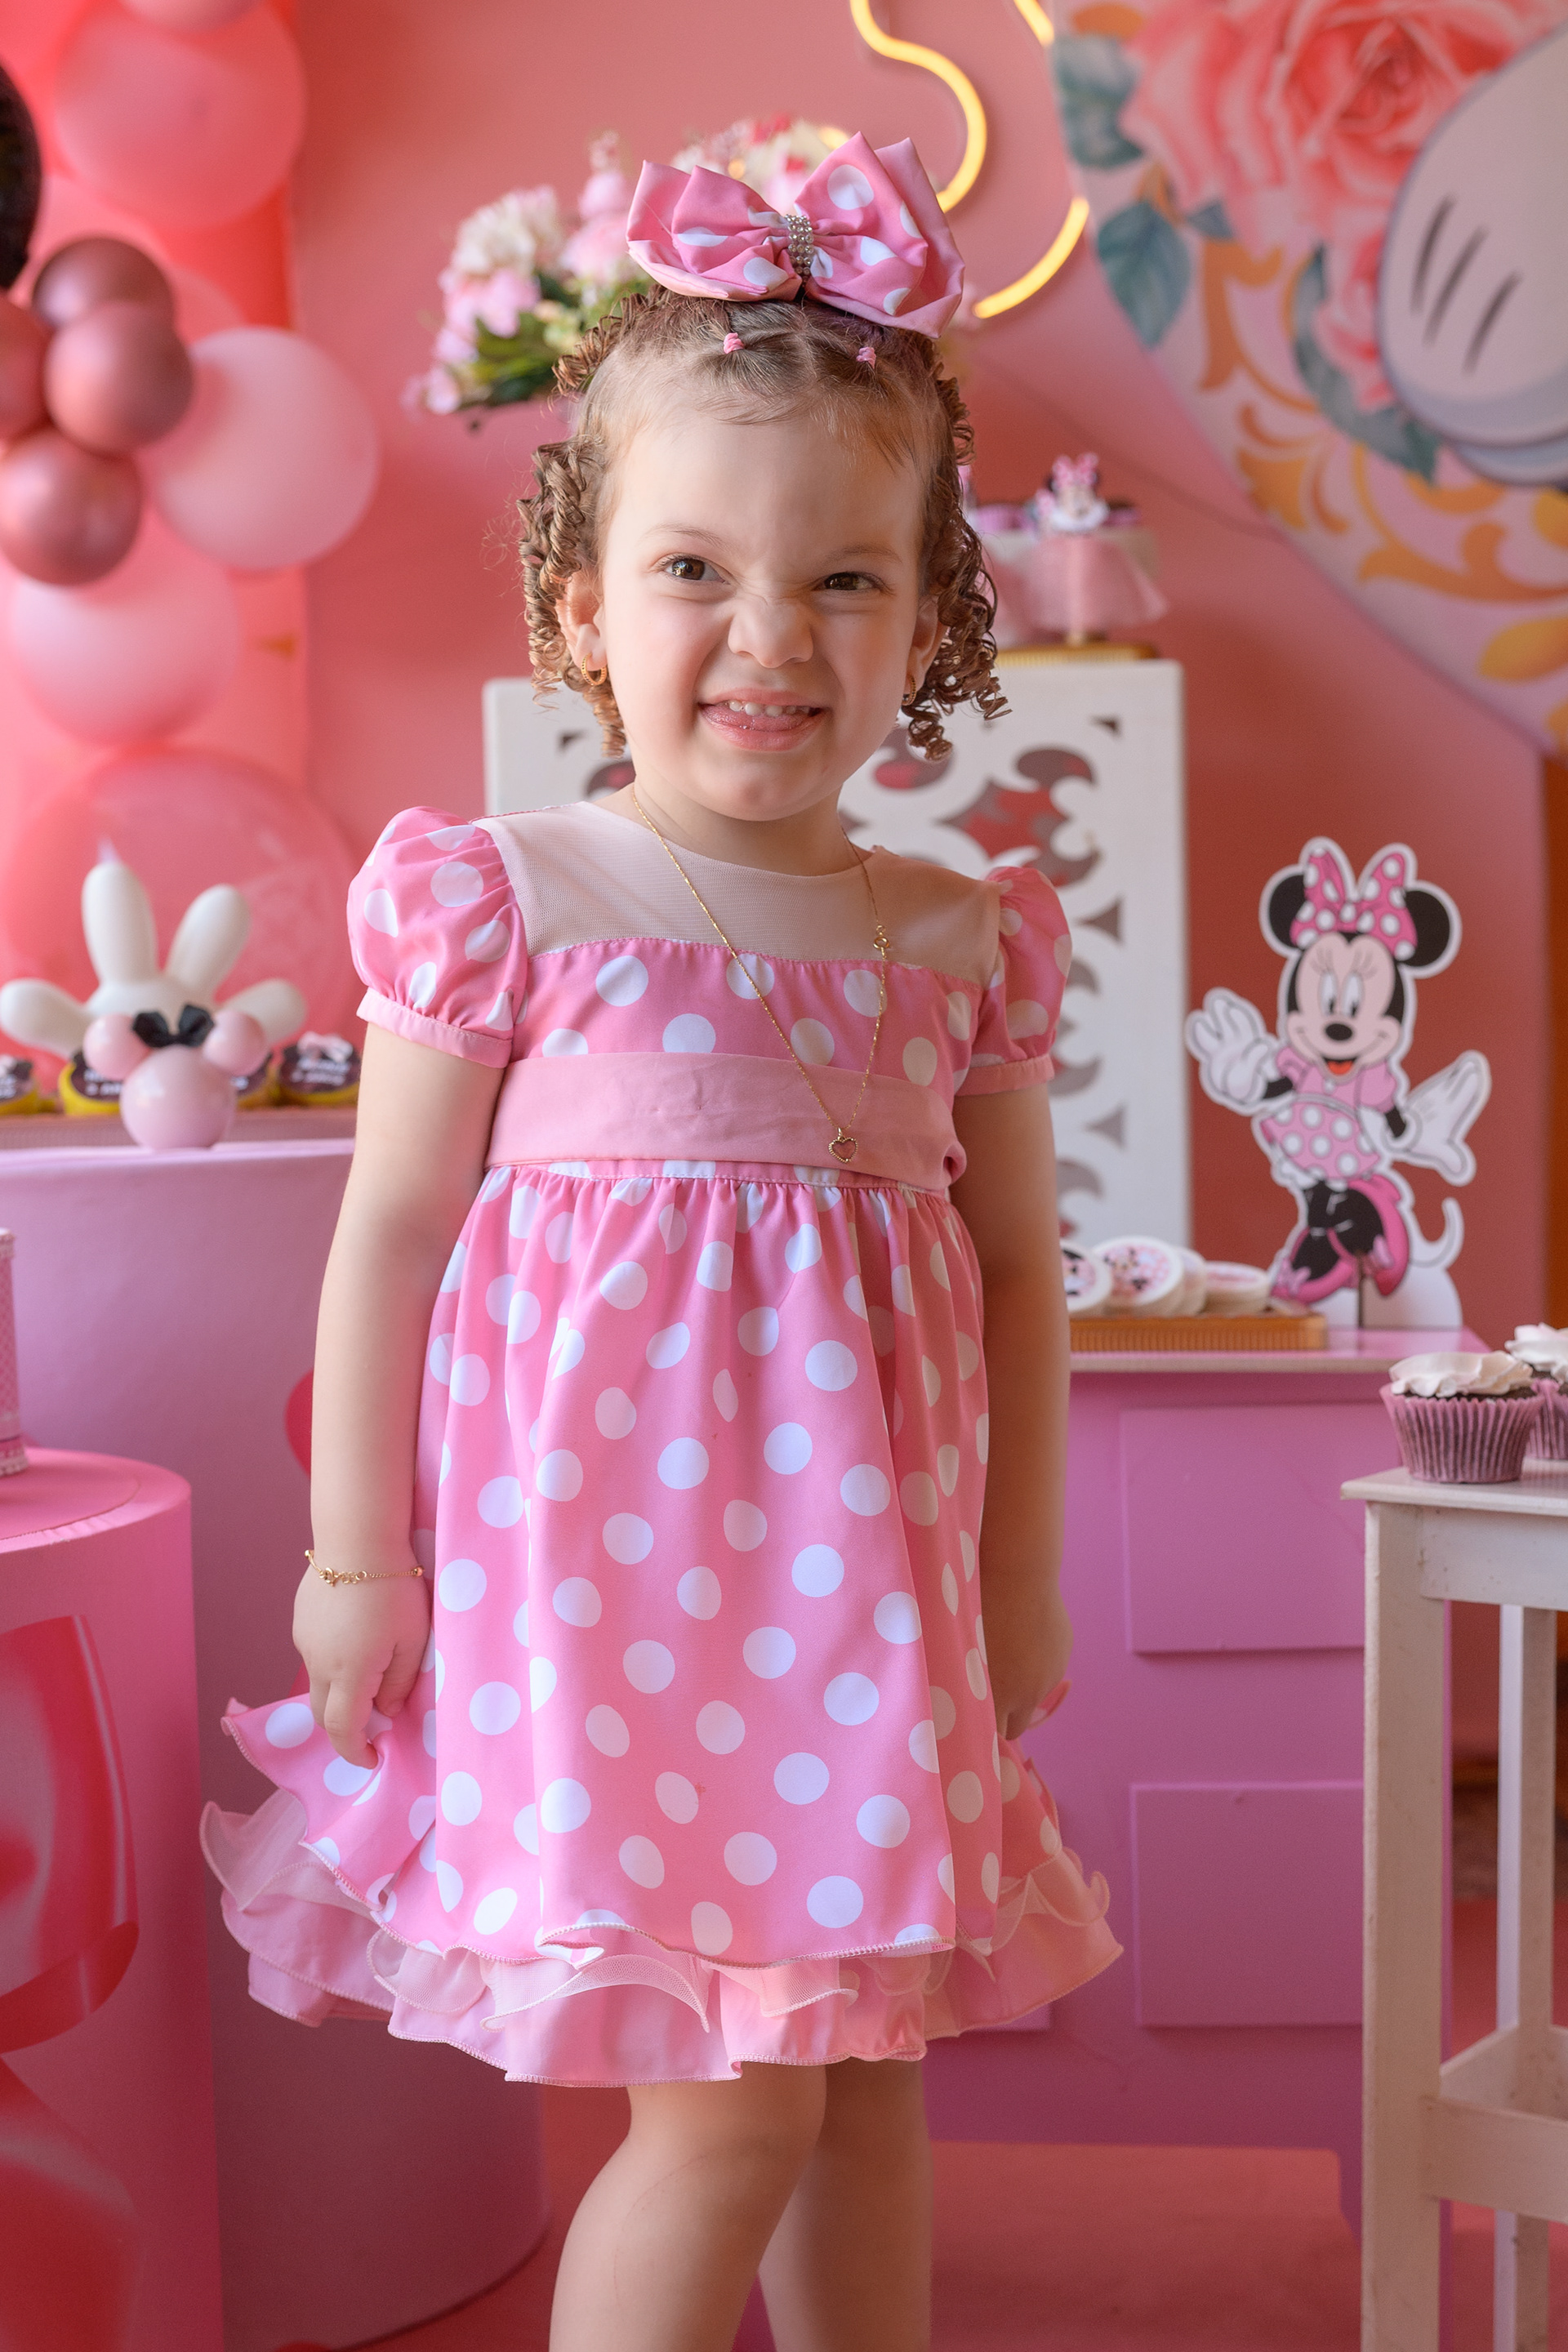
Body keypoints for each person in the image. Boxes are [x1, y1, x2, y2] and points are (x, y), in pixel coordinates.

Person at [203, 132, 1119, 2352]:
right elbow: (392, 1232)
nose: (768, 637)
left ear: (933, 620)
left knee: (861, 2074)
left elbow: (1015, 1275)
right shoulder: (510, 898)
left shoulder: (954, 933)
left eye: (844, 581)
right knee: (726, 2118)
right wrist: (357, 1562)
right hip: (610, 1611)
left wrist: (1015, 1574)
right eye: (695, 568)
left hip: (867, 1601)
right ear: (579, 607)